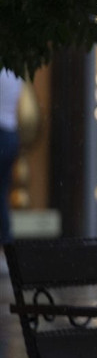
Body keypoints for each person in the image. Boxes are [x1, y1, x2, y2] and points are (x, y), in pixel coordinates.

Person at [0, 69, 22, 250]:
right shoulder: (14, 71)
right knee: (2, 193)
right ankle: (6, 246)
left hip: (2, 132)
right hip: (11, 133)